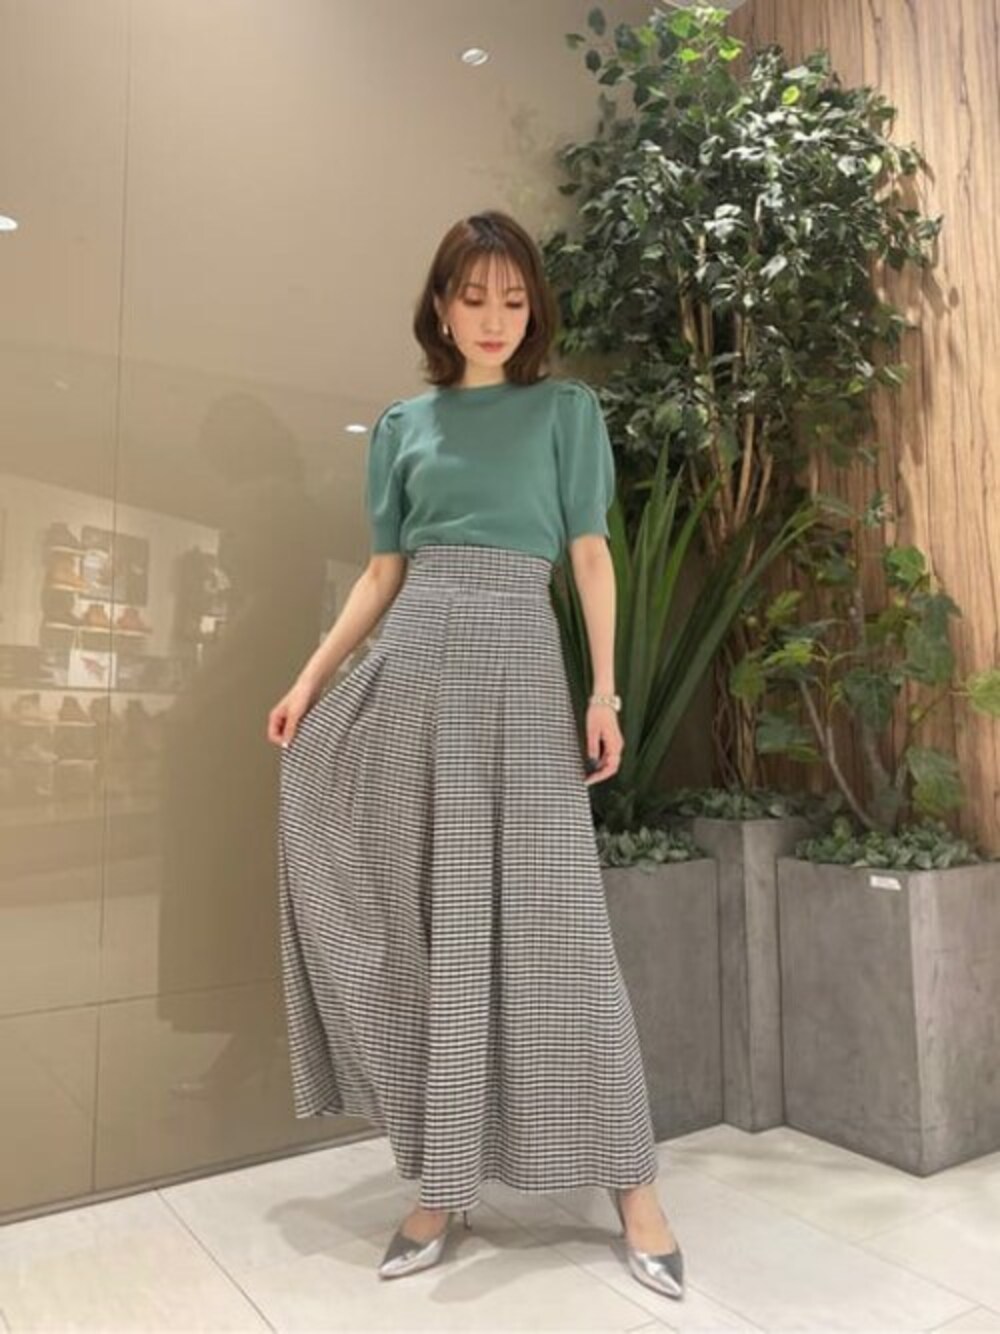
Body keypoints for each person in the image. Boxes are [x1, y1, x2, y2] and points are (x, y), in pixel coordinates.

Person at [266, 210, 684, 1300]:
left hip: (518, 666)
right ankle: (441, 1183)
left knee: (564, 935)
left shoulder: (565, 411)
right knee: (431, 928)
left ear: (531, 309)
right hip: (412, 670)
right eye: (473, 297)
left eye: (513, 299)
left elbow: (589, 555)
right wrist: (309, 682)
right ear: (441, 306)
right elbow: (382, 573)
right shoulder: (403, 424)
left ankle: (634, 1186)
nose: (494, 318)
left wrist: (603, 691)